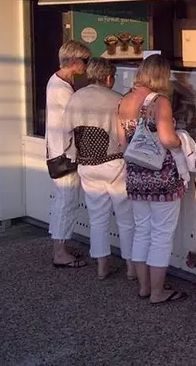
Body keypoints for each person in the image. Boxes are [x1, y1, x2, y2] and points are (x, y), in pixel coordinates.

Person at [117, 55, 186, 305]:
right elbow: (167, 139)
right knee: (161, 235)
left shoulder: (124, 100)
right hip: (161, 178)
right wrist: (183, 141)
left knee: (142, 232)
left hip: (135, 176)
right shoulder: (159, 101)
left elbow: (122, 143)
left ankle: (144, 287)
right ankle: (158, 292)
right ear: (161, 75)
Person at [63, 58, 135, 280]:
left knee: (98, 218)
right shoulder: (117, 100)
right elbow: (129, 131)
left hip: (86, 164)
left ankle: (102, 266)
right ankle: (132, 267)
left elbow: (65, 131)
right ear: (108, 77)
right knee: (125, 218)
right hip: (114, 163)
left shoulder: (75, 98)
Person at [46, 40, 91, 268]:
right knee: (67, 202)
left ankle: (60, 245)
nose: (86, 64)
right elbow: (76, 119)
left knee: (62, 201)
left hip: (57, 150)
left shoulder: (58, 81)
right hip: (65, 153)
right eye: (85, 60)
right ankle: (60, 253)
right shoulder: (62, 88)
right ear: (74, 61)